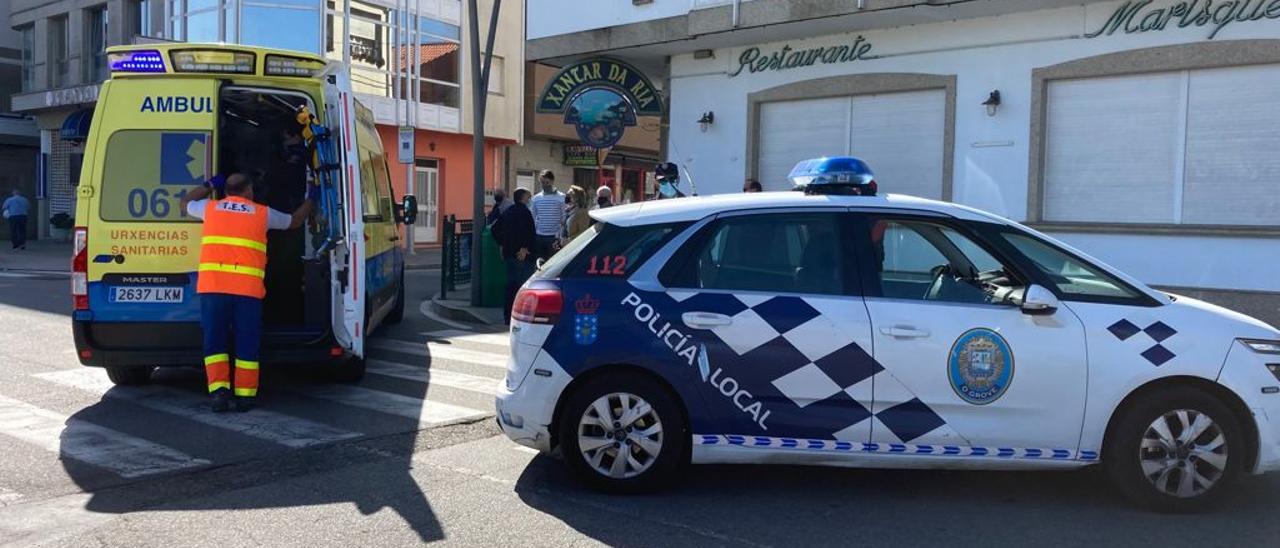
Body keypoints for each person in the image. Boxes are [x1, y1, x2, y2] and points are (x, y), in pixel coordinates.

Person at [180, 173, 316, 412]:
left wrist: (209, 185)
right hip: (247, 292)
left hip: (214, 289)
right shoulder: (262, 213)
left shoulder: (209, 208)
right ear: (249, 191)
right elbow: (295, 221)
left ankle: (219, 394)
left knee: (215, 343)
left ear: (226, 191)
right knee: (247, 344)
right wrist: (312, 198)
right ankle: (245, 396)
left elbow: (184, 202)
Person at [491, 188, 536, 324]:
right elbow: (529, 233)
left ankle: (507, 316)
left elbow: (494, 229)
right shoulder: (525, 213)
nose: (530, 199)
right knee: (522, 287)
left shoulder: (508, 212)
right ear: (523, 198)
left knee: (510, 285)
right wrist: (525, 248)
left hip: (509, 253)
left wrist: (501, 244)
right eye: (528, 197)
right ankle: (519, 316)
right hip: (522, 255)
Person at [529, 170, 565, 260]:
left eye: (547, 182)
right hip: (539, 236)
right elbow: (532, 218)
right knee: (539, 263)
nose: (544, 185)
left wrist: (560, 236)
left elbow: (563, 217)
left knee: (553, 263)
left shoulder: (561, 197)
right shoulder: (536, 198)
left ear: (552, 181)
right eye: (542, 182)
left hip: (554, 237)